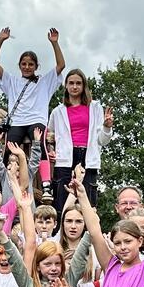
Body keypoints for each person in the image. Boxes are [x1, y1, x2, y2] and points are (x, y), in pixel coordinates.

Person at [0, 26, 65, 185]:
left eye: (30, 64)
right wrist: (0, 40)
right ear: (19, 65)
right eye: (24, 64)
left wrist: (55, 43)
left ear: (36, 66)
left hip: (36, 119)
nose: (27, 67)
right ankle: (5, 183)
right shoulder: (12, 81)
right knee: (9, 150)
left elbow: (61, 65)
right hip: (17, 121)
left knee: (41, 144)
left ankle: (46, 183)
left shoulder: (44, 82)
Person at [47, 68, 112, 214]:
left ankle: (88, 235)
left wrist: (107, 127)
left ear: (84, 86)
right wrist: (51, 151)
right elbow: (49, 135)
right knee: (62, 201)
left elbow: (102, 140)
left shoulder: (94, 107)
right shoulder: (58, 111)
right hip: (64, 159)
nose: (74, 87)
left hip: (88, 158)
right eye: (71, 83)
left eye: (78, 83)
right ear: (66, 86)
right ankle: (60, 234)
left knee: (88, 202)